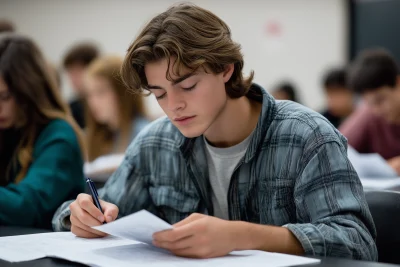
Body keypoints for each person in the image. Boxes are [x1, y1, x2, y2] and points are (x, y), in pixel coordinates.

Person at [53, 3, 377, 260]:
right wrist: (79, 216)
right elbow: (97, 210)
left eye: (188, 85)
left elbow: (358, 243)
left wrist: (242, 235)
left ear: (225, 68)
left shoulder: (306, 135)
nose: (173, 106)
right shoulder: (156, 142)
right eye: (159, 93)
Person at [0, 33, 85, 228]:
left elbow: (27, 206)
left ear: (27, 91)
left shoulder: (58, 134)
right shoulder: (7, 129)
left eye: (4, 97)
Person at [340, 49, 400, 174]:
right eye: (370, 103)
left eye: (381, 100)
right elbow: (336, 148)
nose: (377, 110)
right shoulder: (369, 114)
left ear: (398, 83)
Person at [84, 55, 149, 162]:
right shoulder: (92, 138)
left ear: (122, 93)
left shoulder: (143, 133)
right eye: (89, 94)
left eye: (101, 91)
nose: (93, 102)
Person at [63, 42, 100, 129]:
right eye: (70, 73)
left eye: (77, 72)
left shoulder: (109, 105)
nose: (72, 79)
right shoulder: (70, 109)